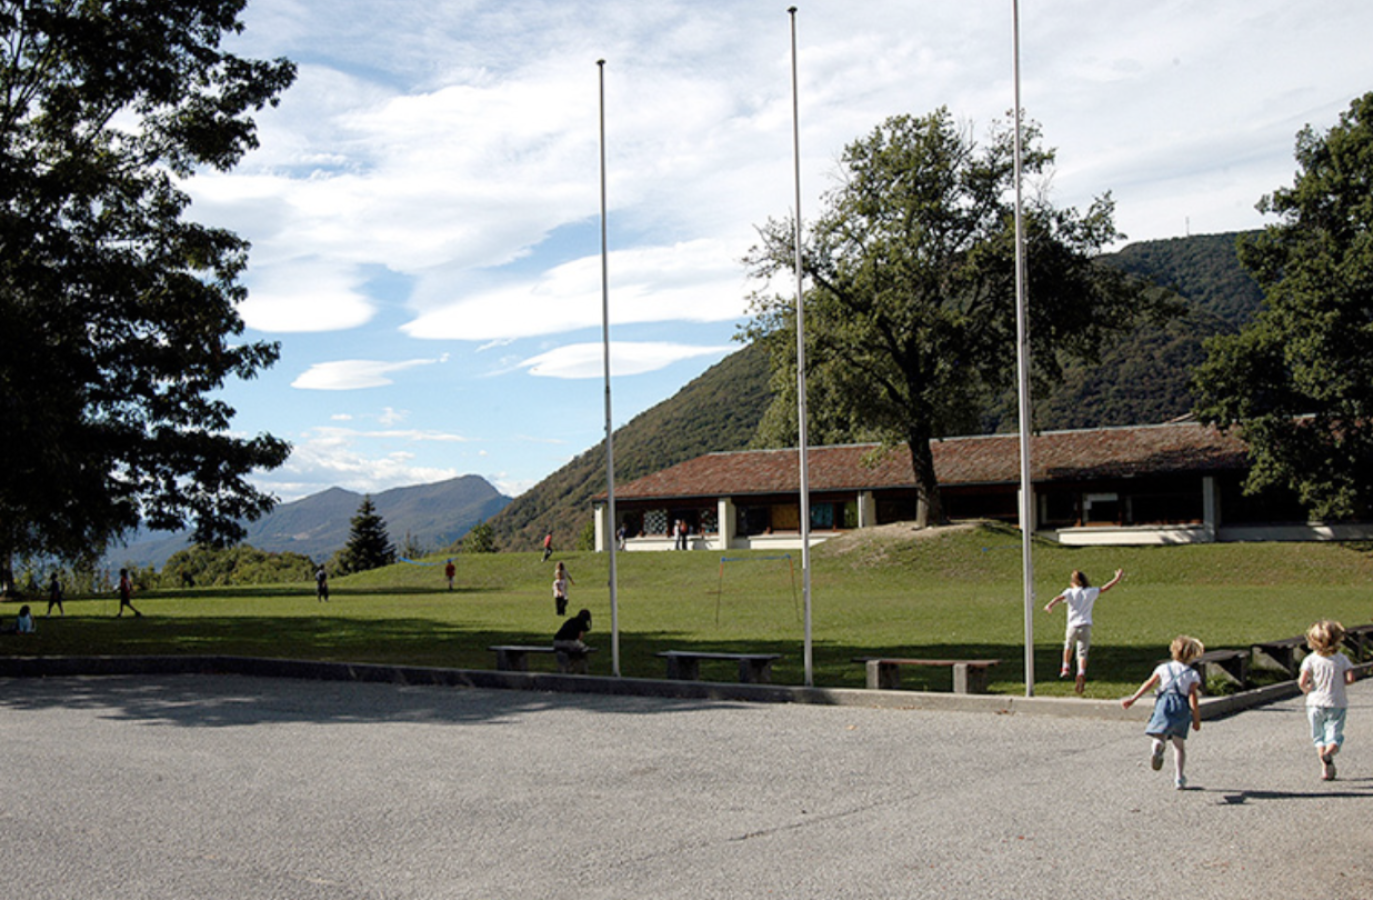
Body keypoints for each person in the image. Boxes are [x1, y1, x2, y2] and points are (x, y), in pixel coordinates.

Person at [1122, 634, 1204, 790]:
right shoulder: (1192, 674)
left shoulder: (1163, 668)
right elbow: (1192, 696)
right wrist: (1196, 718)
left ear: (1173, 651)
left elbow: (1149, 683)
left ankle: (1158, 745)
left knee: (1160, 734)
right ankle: (1179, 778)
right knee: (1179, 745)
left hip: (1164, 704)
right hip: (1181, 706)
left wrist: (1133, 699)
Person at [1043, 568, 1124, 694]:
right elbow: (1105, 588)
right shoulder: (1090, 592)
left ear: (1072, 582)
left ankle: (1065, 667)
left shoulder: (1070, 592)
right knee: (1082, 652)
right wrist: (1116, 579)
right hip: (1085, 625)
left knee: (1068, 646)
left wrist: (1049, 605)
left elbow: (1059, 598)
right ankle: (1081, 671)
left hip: (1072, 626)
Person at [1298, 619, 1357, 781]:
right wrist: (1340, 682)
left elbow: (1302, 681)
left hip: (1314, 703)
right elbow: (1351, 678)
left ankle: (1325, 768)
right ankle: (1330, 753)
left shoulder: (1310, 659)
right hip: (1336, 702)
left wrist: (1307, 689)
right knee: (1334, 735)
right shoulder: (1341, 658)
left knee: (1319, 737)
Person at [553, 608, 593, 674]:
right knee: (583, 648)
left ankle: (567, 667)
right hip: (569, 642)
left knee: (570, 651)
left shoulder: (571, 620)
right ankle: (580, 669)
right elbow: (580, 636)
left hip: (556, 642)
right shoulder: (581, 622)